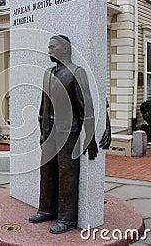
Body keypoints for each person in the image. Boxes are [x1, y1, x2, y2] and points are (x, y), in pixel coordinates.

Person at [28, 35, 111, 234]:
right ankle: (47, 209)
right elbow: (43, 105)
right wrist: (41, 130)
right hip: (49, 132)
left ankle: (67, 218)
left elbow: (86, 105)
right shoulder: (48, 73)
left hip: (68, 132)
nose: (49, 50)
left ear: (65, 49)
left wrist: (89, 135)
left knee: (67, 174)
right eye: (48, 47)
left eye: (53, 47)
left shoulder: (76, 72)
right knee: (46, 172)